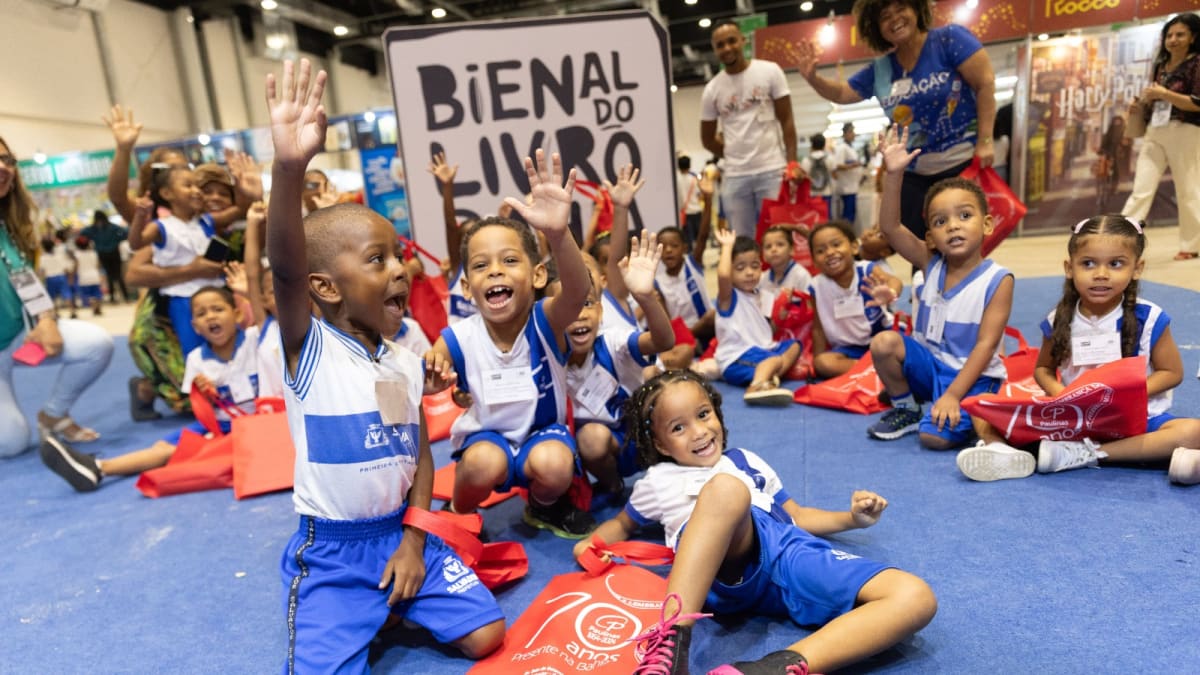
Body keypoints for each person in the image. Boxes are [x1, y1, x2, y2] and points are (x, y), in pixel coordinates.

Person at [265, 59, 505, 671]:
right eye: (377, 259)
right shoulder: (307, 348)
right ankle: (363, 606)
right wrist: (289, 167)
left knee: (488, 635)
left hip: (400, 531)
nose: (399, 269)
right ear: (324, 286)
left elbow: (421, 456)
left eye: (398, 255)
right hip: (335, 550)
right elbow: (286, 267)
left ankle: (392, 602)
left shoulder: (402, 360)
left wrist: (415, 542)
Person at [575, 370, 937, 674]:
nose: (699, 432)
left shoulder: (745, 460)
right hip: (713, 569)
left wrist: (852, 519)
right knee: (726, 491)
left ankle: (775, 668)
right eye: (679, 428)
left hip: (783, 548)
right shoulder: (657, 480)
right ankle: (671, 646)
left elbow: (797, 515)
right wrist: (591, 543)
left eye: (703, 415)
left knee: (914, 596)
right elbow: (623, 525)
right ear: (661, 443)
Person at [955, 215, 1200, 485]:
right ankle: (999, 450)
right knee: (984, 411)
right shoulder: (1059, 320)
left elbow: (1172, 372)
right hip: (1078, 420)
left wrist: (1125, 395)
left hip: (1136, 420)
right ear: (1069, 268)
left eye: (1116, 264)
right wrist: (1062, 395)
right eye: (1088, 263)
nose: (1101, 274)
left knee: (1193, 432)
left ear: (1137, 268)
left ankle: (1087, 454)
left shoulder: (1150, 317)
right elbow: (1043, 369)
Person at [430, 149, 595, 540]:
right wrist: (433, 379)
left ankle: (543, 506)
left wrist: (557, 233)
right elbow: (427, 373)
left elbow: (577, 289)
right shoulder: (459, 336)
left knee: (555, 465)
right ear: (468, 288)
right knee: (480, 464)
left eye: (509, 260)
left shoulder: (546, 321)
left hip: (542, 435)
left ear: (538, 275)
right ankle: (459, 510)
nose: (496, 271)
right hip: (487, 439)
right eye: (482, 266)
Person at [795, 0, 997, 243]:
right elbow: (841, 93)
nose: (895, 19)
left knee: (963, 243)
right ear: (876, 27)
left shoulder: (949, 39)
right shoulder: (881, 69)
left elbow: (984, 84)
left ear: (916, 9)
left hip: (961, 165)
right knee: (921, 247)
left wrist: (985, 140)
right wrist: (813, 78)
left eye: (901, 8)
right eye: (885, 16)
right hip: (913, 173)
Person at [867, 127, 1013, 449]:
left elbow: (985, 347)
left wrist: (952, 395)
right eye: (940, 221)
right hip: (931, 365)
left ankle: (979, 419)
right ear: (930, 236)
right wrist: (894, 175)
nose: (954, 226)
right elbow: (890, 228)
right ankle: (906, 407)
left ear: (987, 224)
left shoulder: (998, 280)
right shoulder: (929, 262)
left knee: (933, 438)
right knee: (884, 343)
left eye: (964, 215)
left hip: (972, 376)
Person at [39, 287, 260, 491]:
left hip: (254, 426)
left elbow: (269, 319)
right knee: (161, 446)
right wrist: (204, 394)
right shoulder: (196, 360)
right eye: (201, 314)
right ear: (195, 327)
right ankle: (97, 468)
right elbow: (199, 408)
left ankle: (102, 468)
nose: (210, 316)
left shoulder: (255, 340)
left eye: (218, 309)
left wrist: (247, 291)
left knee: (180, 452)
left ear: (238, 314)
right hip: (216, 423)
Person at [1, 135, 113, 457]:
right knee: (10, 443)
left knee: (96, 344)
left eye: (8, 160)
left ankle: (53, 415)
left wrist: (46, 319)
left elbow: (25, 279)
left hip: (15, 338)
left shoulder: (11, 225)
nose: (3, 167)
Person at [567, 232, 674, 500]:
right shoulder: (549, 355)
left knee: (673, 394)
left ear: (600, 310)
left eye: (587, 303)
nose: (579, 314)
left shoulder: (612, 340)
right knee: (590, 439)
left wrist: (647, 298)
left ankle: (674, 474)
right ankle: (613, 486)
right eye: (569, 306)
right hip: (604, 442)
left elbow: (663, 340)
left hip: (644, 433)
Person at [700, 21, 797, 239]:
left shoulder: (770, 71)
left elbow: (787, 120)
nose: (727, 48)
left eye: (732, 41)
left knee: (778, 238)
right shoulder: (712, 89)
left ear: (743, 40)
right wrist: (734, 152)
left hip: (772, 170)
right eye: (720, 45)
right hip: (735, 176)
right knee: (742, 244)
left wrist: (792, 163)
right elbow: (706, 139)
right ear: (715, 50)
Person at [1121, 13, 1200, 260]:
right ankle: (1121, 240)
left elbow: (1197, 103)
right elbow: (1154, 99)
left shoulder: (1197, 62)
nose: (1173, 40)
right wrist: (1140, 106)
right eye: (1169, 35)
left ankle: (1191, 246)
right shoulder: (1160, 67)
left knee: (1188, 189)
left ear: (1193, 37)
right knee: (1141, 188)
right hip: (1155, 130)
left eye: (1180, 34)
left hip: (1185, 130)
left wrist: (1164, 94)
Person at [713, 228, 801, 405]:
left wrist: (781, 316)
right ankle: (756, 386)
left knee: (794, 346)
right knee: (774, 360)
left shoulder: (765, 295)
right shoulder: (729, 297)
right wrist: (727, 246)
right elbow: (722, 275)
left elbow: (767, 330)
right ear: (730, 270)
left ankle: (768, 375)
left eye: (755, 266)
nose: (749, 272)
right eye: (740, 268)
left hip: (762, 351)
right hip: (736, 358)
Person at [808, 221, 902, 378]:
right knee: (823, 363)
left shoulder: (866, 269)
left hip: (880, 339)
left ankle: (877, 369)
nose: (830, 252)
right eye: (820, 250)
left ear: (853, 247)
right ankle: (875, 370)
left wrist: (890, 292)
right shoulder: (816, 286)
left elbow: (895, 281)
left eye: (836, 244)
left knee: (898, 346)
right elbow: (818, 328)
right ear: (814, 260)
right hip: (848, 350)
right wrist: (816, 362)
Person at [79, 209, 131, 303]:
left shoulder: (93, 229)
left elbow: (82, 233)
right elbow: (124, 233)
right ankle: (125, 297)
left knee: (110, 275)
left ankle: (112, 298)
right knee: (118, 275)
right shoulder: (111, 227)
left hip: (102, 253)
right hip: (114, 252)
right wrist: (116, 241)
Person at [757, 225, 812, 300]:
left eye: (780, 244)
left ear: (791, 250)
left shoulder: (801, 275)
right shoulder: (762, 279)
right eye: (768, 246)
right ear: (763, 256)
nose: (773, 249)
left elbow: (810, 303)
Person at [833, 123, 865, 226]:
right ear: (846, 133)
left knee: (851, 214)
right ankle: (846, 236)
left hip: (852, 186)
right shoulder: (842, 148)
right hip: (846, 188)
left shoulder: (850, 148)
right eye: (852, 132)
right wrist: (854, 165)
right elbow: (837, 165)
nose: (854, 135)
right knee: (848, 215)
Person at [800, 134, 834, 215]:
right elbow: (834, 175)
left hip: (812, 193)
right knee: (826, 216)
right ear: (824, 144)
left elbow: (803, 177)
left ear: (812, 144)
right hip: (826, 192)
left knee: (814, 217)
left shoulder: (806, 160)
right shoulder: (829, 158)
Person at [71, 236, 103, 316]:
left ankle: (93, 307)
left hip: (83, 277)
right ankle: (98, 308)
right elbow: (98, 265)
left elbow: (76, 266)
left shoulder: (77, 255)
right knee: (97, 293)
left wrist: (72, 275)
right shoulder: (93, 253)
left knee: (87, 294)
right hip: (94, 275)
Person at [675, 154, 703, 245]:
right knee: (699, 237)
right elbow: (699, 195)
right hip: (696, 210)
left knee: (687, 239)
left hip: (684, 213)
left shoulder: (676, 180)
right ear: (689, 165)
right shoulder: (694, 179)